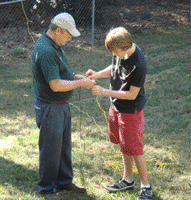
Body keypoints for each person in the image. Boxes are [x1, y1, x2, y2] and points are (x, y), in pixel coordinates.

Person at [31, 12, 95, 195]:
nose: (69, 39)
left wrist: (77, 78)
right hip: (51, 107)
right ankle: (46, 189)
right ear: (58, 30)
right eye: (68, 35)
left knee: (64, 147)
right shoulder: (46, 51)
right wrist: (81, 83)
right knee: (51, 150)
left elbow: (60, 75)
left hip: (61, 105)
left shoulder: (55, 44)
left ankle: (64, 182)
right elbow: (56, 84)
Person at [86, 27, 152, 200]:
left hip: (131, 111)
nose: (114, 54)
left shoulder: (139, 64)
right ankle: (127, 180)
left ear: (126, 47)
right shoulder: (120, 51)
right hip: (116, 107)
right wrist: (97, 75)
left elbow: (132, 95)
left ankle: (146, 186)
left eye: (116, 51)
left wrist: (104, 92)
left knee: (135, 149)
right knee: (124, 145)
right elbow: (115, 66)